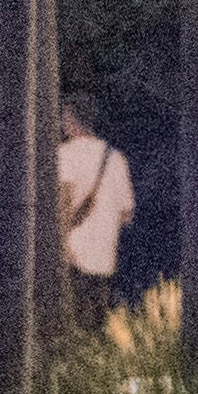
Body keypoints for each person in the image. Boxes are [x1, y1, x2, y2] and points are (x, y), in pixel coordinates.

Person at [54, 103, 137, 314]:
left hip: (72, 256)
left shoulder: (65, 154)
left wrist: (61, 242)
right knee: (97, 323)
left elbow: (64, 199)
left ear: (70, 119)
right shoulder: (116, 158)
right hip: (106, 258)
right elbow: (127, 214)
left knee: (71, 321)